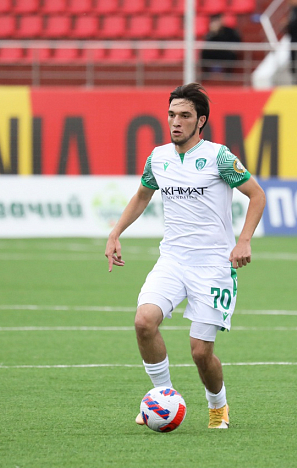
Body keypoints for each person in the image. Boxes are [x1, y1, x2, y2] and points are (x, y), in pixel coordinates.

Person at [105, 83, 266, 429]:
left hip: (213, 266)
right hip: (173, 261)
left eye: (184, 115)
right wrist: (116, 232)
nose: (175, 122)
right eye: (171, 115)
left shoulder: (220, 157)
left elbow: (257, 195)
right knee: (143, 322)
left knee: (200, 352)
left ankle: (218, 406)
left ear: (200, 120)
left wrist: (244, 241)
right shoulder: (158, 157)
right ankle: (163, 397)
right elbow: (142, 195)